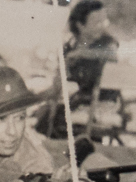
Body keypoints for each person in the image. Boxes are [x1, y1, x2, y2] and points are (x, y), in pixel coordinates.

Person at [35, 0, 118, 139]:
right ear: (81, 25)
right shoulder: (70, 47)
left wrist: (81, 54)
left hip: (101, 105)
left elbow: (111, 54)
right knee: (47, 114)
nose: (103, 25)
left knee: (53, 118)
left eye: (105, 20)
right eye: (97, 21)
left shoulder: (107, 43)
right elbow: (57, 85)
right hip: (80, 104)